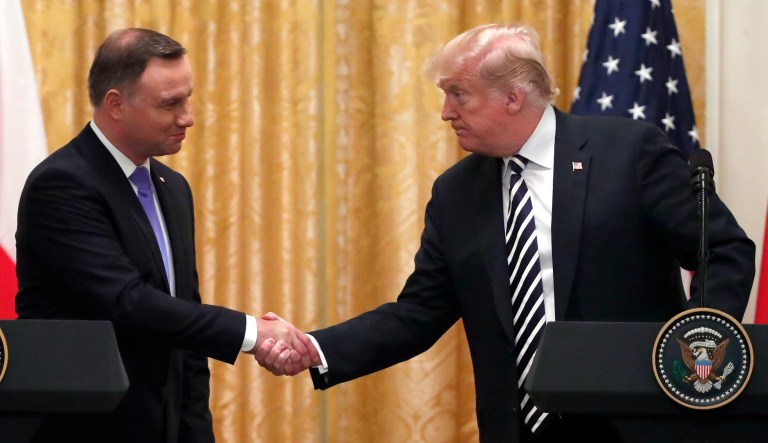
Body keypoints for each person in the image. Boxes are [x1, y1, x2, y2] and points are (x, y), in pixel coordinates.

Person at [254, 23, 755, 442]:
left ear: (513, 97)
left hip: (637, 423)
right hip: (518, 429)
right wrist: (316, 348)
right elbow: (418, 313)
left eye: (458, 94)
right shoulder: (456, 192)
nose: (446, 112)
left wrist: (697, 347)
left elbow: (723, 249)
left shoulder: (628, 153)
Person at [15, 28, 318, 443]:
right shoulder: (62, 184)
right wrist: (252, 333)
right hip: (85, 429)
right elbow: (128, 302)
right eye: (170, 103)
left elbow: (183, 330)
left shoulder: (171, 187)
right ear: (116, 105)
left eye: (188, 97)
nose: (188, 116)